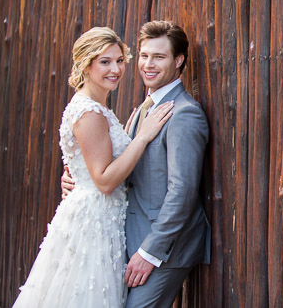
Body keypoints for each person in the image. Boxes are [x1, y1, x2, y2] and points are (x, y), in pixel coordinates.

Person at [13, 27, 174, 308]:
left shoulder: (98, 107)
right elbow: (103, 181)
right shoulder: (89, 111)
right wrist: (142, 136)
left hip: (102, 216)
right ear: (86, 65)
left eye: (120, 60)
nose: (116, 69)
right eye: (105, 62)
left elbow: (95, 160)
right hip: (94, 222)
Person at [63, 20, 210, 308]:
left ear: (179, 61)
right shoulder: (144, 110)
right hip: (127, 237)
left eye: (159, 56)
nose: (148, 64)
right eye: (144, 56)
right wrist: (79, 180)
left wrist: (150, 253)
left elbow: (181, 192)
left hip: (165, 248)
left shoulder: (184, 114)